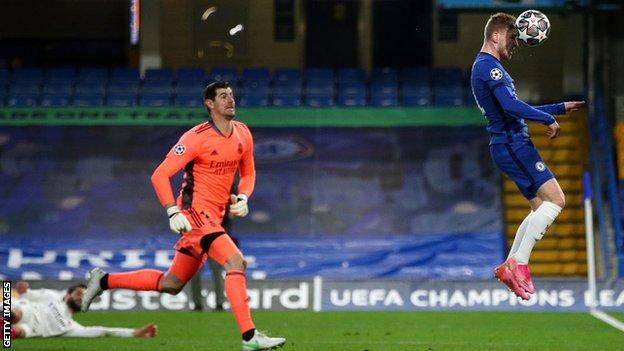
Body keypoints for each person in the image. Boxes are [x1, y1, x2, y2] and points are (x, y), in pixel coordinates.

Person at [81, 80, 286, 351]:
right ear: (209, 104)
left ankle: (104, 280)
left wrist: (245, 197)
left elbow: (248, 173)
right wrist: (172, 210)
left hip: (215, 216)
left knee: (171, 284)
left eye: (231, 95)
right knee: (236, 261)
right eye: (223, 96)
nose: (230, 100)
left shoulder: (243, 134)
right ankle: (250, 338)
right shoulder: (195, 138)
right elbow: (160, 175)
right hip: (195, 214)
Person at [470, 13, 585, 300]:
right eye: (511, 38)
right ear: (495, 36)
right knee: (557, 200)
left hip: (509, 144)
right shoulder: (487, 67)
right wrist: (547, 118)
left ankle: (512, 264)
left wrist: (557, 108)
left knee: (539, 210)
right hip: (513, 144)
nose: (515, 44)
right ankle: (518, 263)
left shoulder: (488, 67)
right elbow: (510, 106)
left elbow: (512, 106)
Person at [7, 281, 157, 339]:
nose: (81, 298)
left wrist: (134, 333)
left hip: (31, 329)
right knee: (15, 313)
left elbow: (103, 331)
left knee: (18, 332)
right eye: (79, 294)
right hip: (24, 310)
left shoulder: (70, 327)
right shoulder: (52, 296)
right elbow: (26, 294)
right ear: (67, 294)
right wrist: (23, 289)